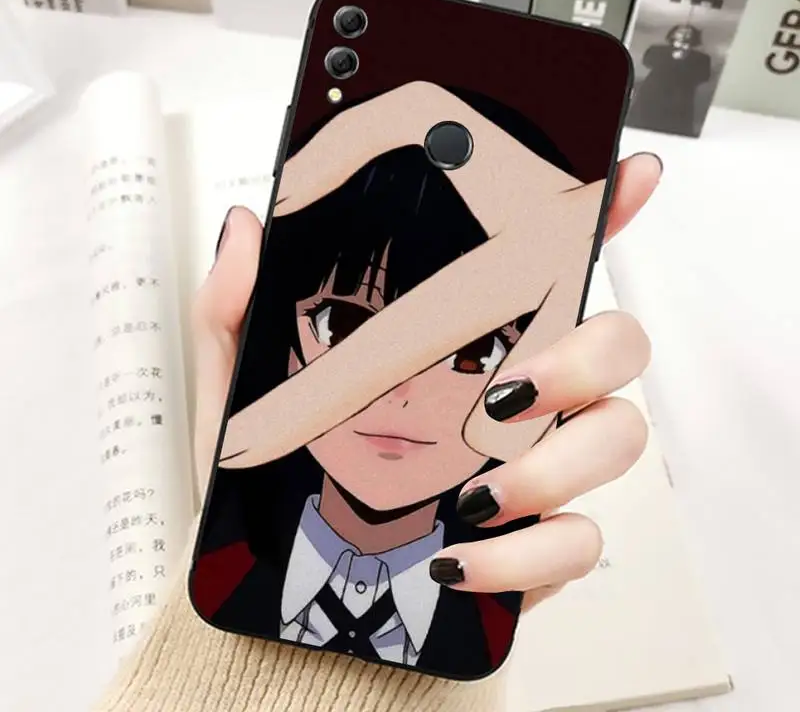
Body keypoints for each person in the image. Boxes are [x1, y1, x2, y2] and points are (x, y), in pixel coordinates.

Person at [92, 93, 661, 711]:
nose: (401, 392)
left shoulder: (471, 627)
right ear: (286, 342)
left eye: (476, 354)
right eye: (340, 326)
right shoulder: (228, 570)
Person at [628, 24, 712, 136]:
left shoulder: (702, 58)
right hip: (653, 91)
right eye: (680, 31)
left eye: (688, 32)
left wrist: (685, 61)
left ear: (695, 36)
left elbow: (704, 76)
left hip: (680, 96)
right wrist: (671, 58)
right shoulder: (657, 49)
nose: (684, 34)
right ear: (673, 33)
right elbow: (647, 62)